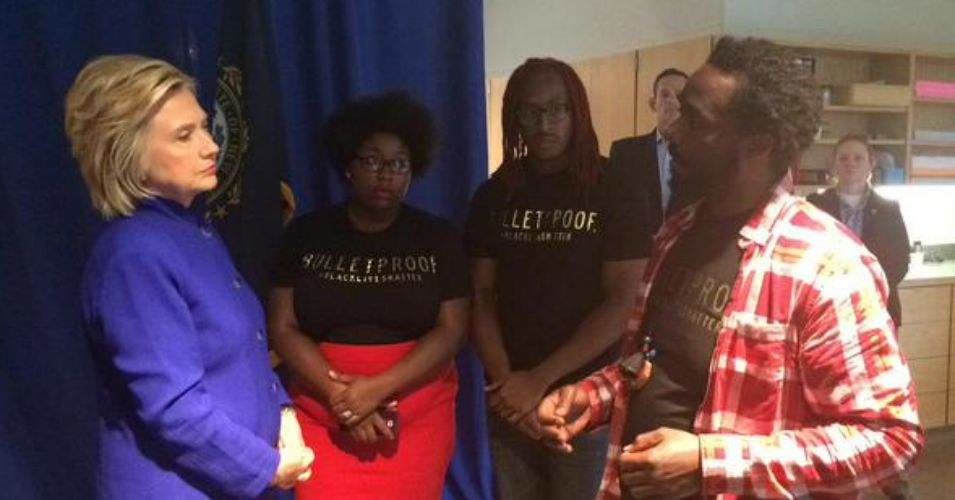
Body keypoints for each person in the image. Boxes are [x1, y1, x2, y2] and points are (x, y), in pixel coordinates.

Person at [536, 37, 923, 499]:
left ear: (757, 143)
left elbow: (890, 439)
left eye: (695, 121)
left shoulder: (827, 267)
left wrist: (710, 462)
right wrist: (593, 395)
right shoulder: (677, 233)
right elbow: (656, 364)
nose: (673, 133)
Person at [67, 55, 313, 499]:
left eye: (203, 126)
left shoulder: (194, 232)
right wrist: (270, 467)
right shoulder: (134, 254)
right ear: (126, 154)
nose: (211, 145)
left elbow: (244, 355)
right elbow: (173, 409)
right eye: (185, 136)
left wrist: (285, 416)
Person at [269, 92, 469, 499]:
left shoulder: (438, 238)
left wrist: (375, 391)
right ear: (348, 165)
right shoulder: (305, 234)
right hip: (321, 409)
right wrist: (342, 399)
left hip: (417, 411)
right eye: (372, 160)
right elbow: (282, 326)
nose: (385, 174)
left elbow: (453, 330)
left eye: (398, 164)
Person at [465, 58, 647, 500]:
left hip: (585, 400)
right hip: (508, 397)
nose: (545, 123)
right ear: (515, 117)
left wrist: (540, 380)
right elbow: (481, 295)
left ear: (577, 112)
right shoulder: (495, 193)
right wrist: (511, 384)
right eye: (531, 111)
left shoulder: (615, 187)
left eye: (557, 109)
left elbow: (620, 301)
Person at [808, 134, 910, 326]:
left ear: (871, 164)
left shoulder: (889, 210)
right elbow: (804, 256)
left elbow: (900, 261)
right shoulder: (814, 205)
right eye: (843, 158)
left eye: (858, 158)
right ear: (834, 164)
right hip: (826, 309)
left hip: (877, 309)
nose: (850, 163)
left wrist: (865, 291)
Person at [606, 68, 690, 233]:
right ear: (653, 104)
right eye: (665, 95)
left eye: (681, 95)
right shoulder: (625, 153)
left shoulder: (708, 154)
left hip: (692, 253)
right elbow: (613, 211)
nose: (673, 101)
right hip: (639, 254)